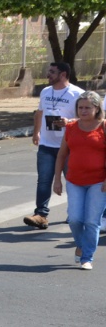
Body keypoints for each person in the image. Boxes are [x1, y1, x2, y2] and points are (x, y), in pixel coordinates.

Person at [25, 62, 82, 229]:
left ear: (63, 74)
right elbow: (40, 113)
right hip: (47, 144)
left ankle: (74, 213)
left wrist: (69, 121)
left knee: (72, 181)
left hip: (69, 145)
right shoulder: (45, 91)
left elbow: (89, 118)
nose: (47, 74)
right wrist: (36, 133)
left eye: (52, 72)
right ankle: (41, 215)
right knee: (43, 180)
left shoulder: (77, 93)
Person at [53, 91, 106, 271]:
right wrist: (57, 180)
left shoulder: (104, 127)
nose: (83, 111)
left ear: (97, 108)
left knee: (92, 221)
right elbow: (62, 155)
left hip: (98, 181)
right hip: (75, 180)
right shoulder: (71, 127)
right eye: (80, 107)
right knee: (75, 219)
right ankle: (82, 244)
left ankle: (87, 257)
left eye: (87, 108)